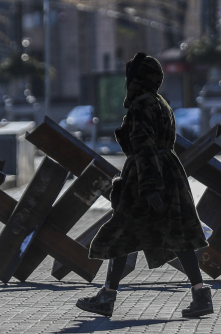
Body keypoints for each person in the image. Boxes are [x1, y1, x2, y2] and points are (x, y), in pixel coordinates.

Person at [76, 53, 212, 319]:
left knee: (122, 232)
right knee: (178, 233)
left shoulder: (140, 105)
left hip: (144, 177)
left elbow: (144, 146)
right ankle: (200, 293)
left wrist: (149, 186)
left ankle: (106, 297)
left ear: (137, 80)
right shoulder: (162, 103)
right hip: (171, 173)